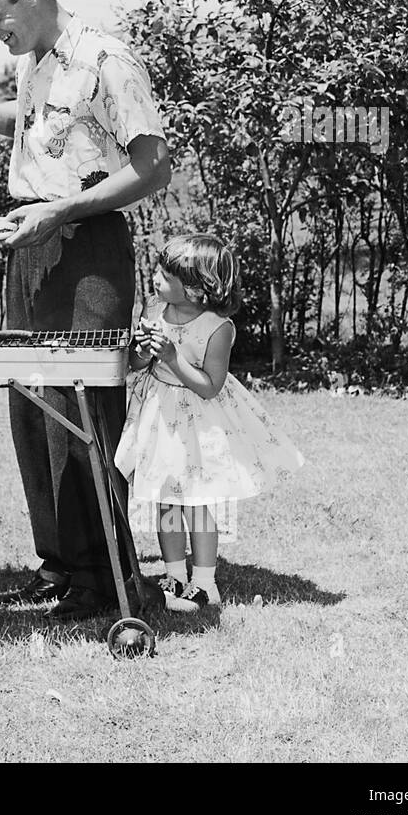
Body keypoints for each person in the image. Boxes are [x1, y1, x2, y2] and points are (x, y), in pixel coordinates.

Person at [0, 0, 171, 620]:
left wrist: (63, 211)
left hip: (86, 244)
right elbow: (47, 126)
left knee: (83, 410)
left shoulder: (107, 60)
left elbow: (152, 164)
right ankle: (60, 567)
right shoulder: (36, 61)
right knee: (33, 410)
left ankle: (108, 579)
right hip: (30, 243)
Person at [116, 234, 305, 609]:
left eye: (166, 275)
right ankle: (173, 576)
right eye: (158, 269)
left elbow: (210, 386)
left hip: (198, 423)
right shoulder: (154, 309)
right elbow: (134, 366)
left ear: (196, 289)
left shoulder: (218, 328)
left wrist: (171, 356)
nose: (155, 278)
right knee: (166, 499)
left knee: (198, 501)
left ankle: (204, 582)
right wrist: (140, 351)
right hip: (159, 419)